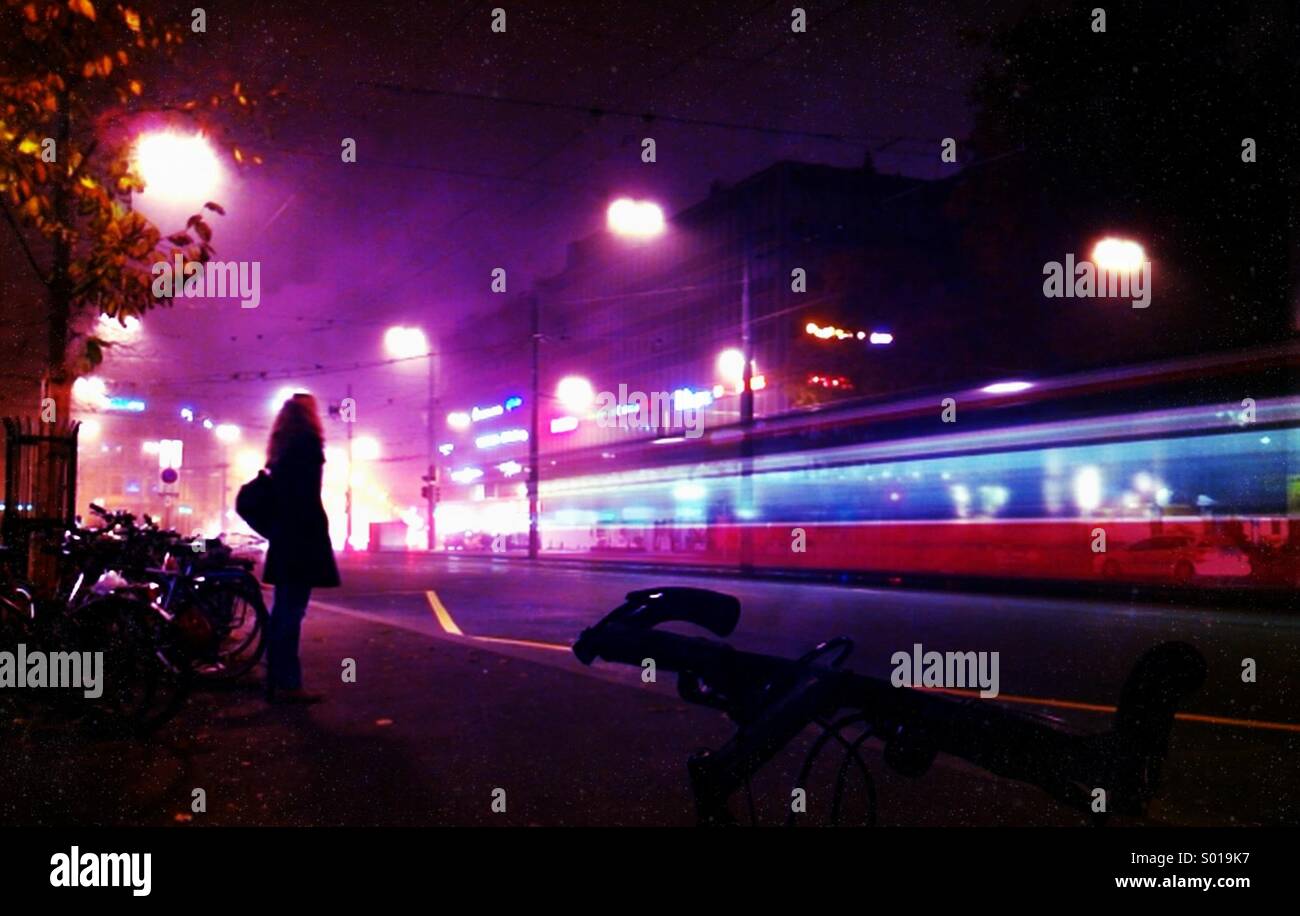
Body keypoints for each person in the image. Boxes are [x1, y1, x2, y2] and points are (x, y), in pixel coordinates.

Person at [261, 393, 340, 703]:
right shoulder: (308, 444)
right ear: (310, 416)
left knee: (283, 609)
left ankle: (276, 675)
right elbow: (307, 496)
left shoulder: (280, 447)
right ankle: (289, 684)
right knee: (293, 610)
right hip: (302, 537)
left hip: (284, 537)